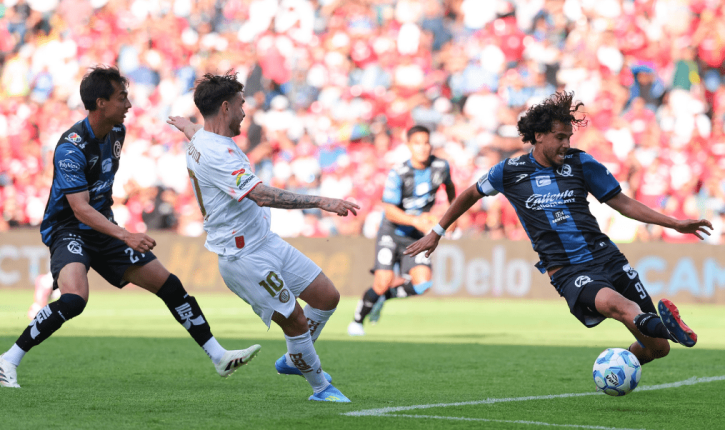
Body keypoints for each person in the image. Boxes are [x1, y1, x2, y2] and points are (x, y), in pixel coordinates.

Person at [0, 67, 260, 389]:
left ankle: (219, 356)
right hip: (69, 229)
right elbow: (79, 209)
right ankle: (8, 360)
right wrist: (126, 234)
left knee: (170, 285)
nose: (129, 105)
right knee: (75, 298)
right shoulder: (71, 147)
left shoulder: (116, 133)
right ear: (101, 103)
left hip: (103, 227)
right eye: (122, 98)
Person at [405, 91, 711, 366]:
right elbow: (471, 193)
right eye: (560, 137)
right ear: (538, 135)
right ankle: (670, 328)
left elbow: (622, 203)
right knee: (619, 305)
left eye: (569, 137)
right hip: (568, 270)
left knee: (657, 348)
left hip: (607, 257)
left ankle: (620, 365)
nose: (567, 144)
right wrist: (437, 232)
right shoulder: (509, 172)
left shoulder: (581, 163)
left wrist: (675, 223)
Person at [167, 72, 359, 402]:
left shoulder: (203, 138)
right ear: (225, 107)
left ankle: (296, 358)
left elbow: (197, 132)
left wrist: (186, 124)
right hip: (243, 256)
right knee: (295, 321)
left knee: (327, 297)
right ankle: (320, 389)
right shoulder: (216, 153)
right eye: (241, 105)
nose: (245, 112)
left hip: (264, 240)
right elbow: (260, 195)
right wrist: (320, 201)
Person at [347, 125, 456, 336]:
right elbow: (389, 211)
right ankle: (357, 321)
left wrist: (454, 216)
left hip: (417, 236)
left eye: (426, 143)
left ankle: (384, 298)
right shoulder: (399, 172)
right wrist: (416, 221)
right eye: (417, 143)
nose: (422, 147)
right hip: (392, 232)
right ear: (409, 146)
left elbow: (450, 187)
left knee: (423, 284)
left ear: (431, 145)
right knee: (382, 282)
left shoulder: (441, 166)